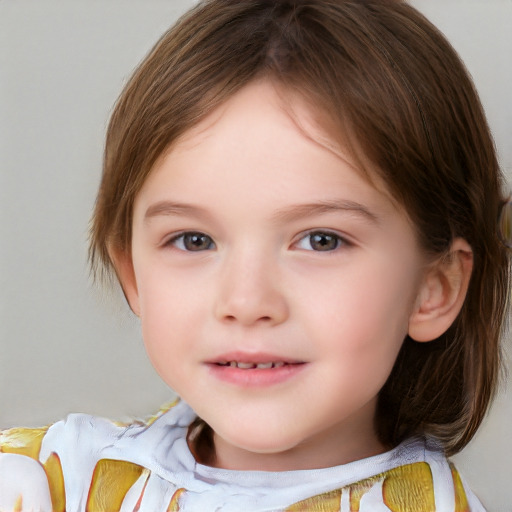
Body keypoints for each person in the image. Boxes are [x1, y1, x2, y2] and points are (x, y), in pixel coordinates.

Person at [0, 0, 509, 510]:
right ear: (133, 274)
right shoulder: (46, 482)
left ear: (433, 289)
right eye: (193, 240)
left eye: (321, 240)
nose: (246, 301)